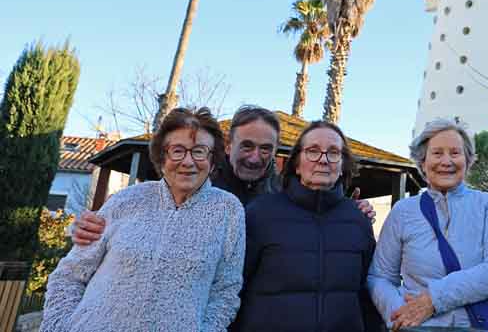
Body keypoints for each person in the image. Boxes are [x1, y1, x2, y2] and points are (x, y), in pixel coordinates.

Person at [41, 107, 245, 332]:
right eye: (177, 150)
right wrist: (61, 326)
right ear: (162, 156)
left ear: (212, 159)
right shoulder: (125, 200)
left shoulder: (228, 210)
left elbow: (226, 291)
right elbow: (70, 275)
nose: (188, 161)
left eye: (199, 151)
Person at [71, 105, 374, 244]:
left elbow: (315, 211)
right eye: (247, 146)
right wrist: (92, 225)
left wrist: (352, 209)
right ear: (228, 145)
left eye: (266, 149)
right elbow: (145, 210)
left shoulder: (283, 191)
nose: (256, 157)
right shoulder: (196, 178)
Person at [232, 120, 381, 331]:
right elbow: (233, 288)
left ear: (342, 166)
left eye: (333, 152)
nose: (323, 160)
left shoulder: (358, 221)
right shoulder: (260, 214)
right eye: (313, 151)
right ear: (297, 164)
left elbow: (368, 295)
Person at [368, 119, 488, 330]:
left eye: (455, 153)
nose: (446, 161)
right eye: (437, 153)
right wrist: (399, 315)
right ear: (422, 162)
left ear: (468, 160)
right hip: (420, 327)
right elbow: (380, 276)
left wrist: (433, 300)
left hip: (479, 326)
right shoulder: (402, 211)